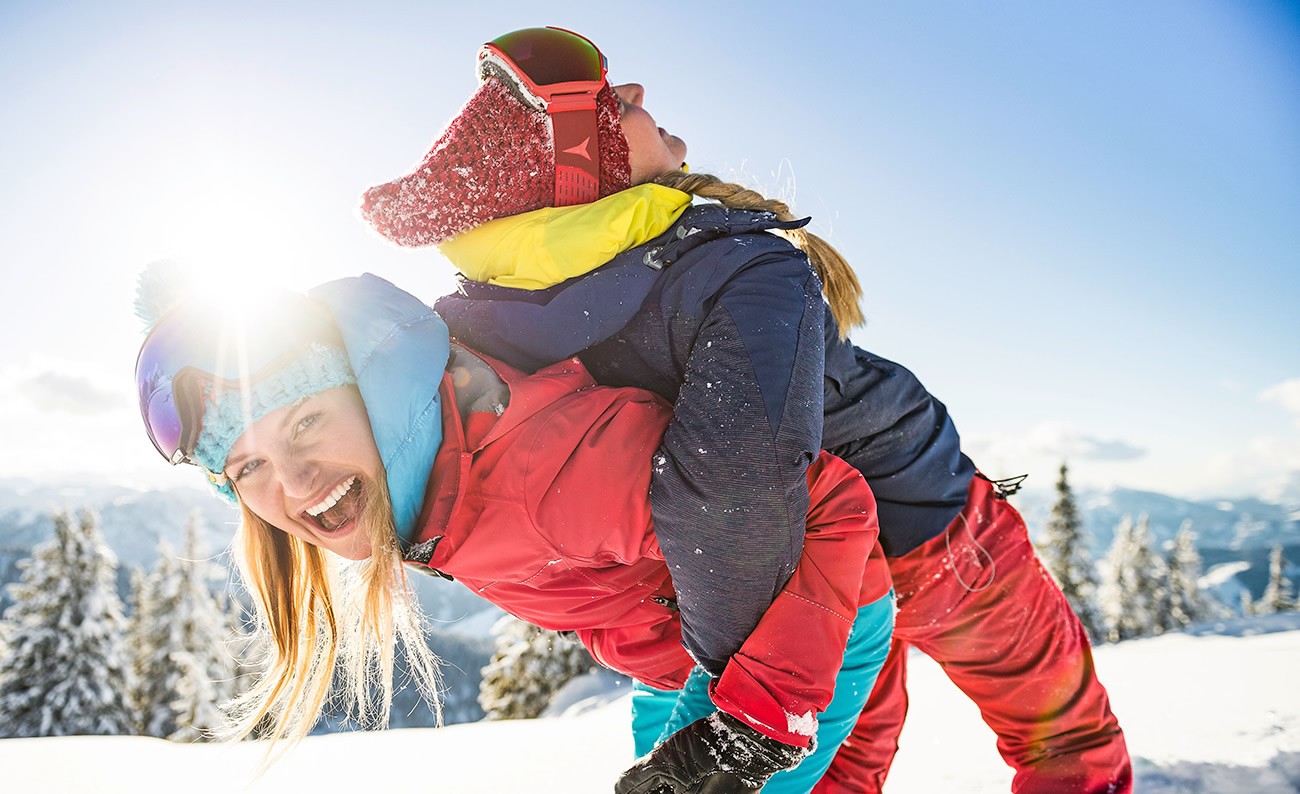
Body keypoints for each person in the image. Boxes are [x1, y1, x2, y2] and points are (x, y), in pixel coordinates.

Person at [358, 26, 1133, 794]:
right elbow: (736, 485)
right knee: (1061, 733)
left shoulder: (480, 326)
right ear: (579, 169)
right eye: (602, 104)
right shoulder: (732, 262)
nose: (634, 94)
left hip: (790, 589)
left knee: (837, 775)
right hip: (921, 523)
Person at [132, 266, 895, 793]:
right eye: (247, 468)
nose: (294, 486)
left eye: (306, 421)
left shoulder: (546, 475)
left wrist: (756, 720)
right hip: (679, 656)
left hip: (790, 636)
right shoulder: (430, 470)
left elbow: (829, 502)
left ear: (377, 391)